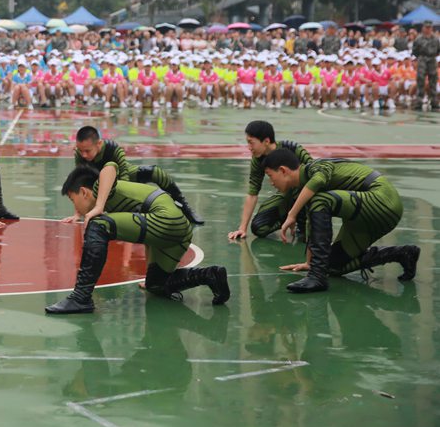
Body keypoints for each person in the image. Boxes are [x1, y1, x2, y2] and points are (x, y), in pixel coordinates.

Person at [45, 166, 229, 314]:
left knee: (98, 225)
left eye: (73, 200)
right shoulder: (116, 197)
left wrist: (99, 206)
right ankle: (209, 275)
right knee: (155, 285)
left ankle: (81, 298)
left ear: (84, 192)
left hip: (166, 220)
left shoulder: (100, 188)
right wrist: (150, 274)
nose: (75, 207)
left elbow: (109, 168)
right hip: (178, 230)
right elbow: (148, 232)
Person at [262, 149, 420, 293]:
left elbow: (318, 181)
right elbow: (312, 225)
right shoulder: (306, 189)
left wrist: (292, 214)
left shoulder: (316, 167)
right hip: (365, 217)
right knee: (332, 266)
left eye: (270, 176)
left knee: (321, 200)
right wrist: (310, 263)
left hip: (384, 200)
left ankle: (317, 277)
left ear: (283, 170)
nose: (271, 182)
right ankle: (402, 253)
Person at [68, 126, 202, 225]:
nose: (83, 155)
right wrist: (77, 213)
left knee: (156, 172)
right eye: (80, 150)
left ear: (99, 144)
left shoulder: (114, 149)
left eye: (87, 151)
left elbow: (124, 179)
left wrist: (125, 211)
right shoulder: (80, 155)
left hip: (120, 177)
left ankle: (185, 208)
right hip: (97, 183)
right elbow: (79, 183)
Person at [228, 120, 312, 240]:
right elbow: (252, 193)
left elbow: (316, 173)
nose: (249, 148)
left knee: (308, 235)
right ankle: (289, 219)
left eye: (251, 143)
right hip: (286, 195)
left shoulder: (292, 149)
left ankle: (304, 220)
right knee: (259, 227)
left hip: (308, 193)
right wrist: (242, 228)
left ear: (266, 141)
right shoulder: (258, 159)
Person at [411, 20, 438, 110]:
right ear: (423, 28)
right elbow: (414, 51)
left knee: (433, 81)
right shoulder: (419, 39)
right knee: (420, 80)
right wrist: (420, 58)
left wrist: (432, 56)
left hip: (432, 60)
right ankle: (419, 102)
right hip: (422, 59)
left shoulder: (436, 39)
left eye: (429, 27)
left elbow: (438, 50)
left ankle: (434, 102)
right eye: (426, 27)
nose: (428, 29)